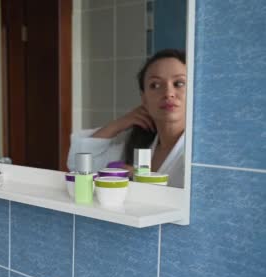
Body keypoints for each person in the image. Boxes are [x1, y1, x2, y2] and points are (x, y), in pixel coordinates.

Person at [67, 49, 186, 188]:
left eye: (179, 83)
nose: (168, 93)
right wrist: (120, 123)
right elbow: (79, 165)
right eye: (155, 85)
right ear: (144, 98)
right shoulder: (139, 145)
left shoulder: (200, 155)